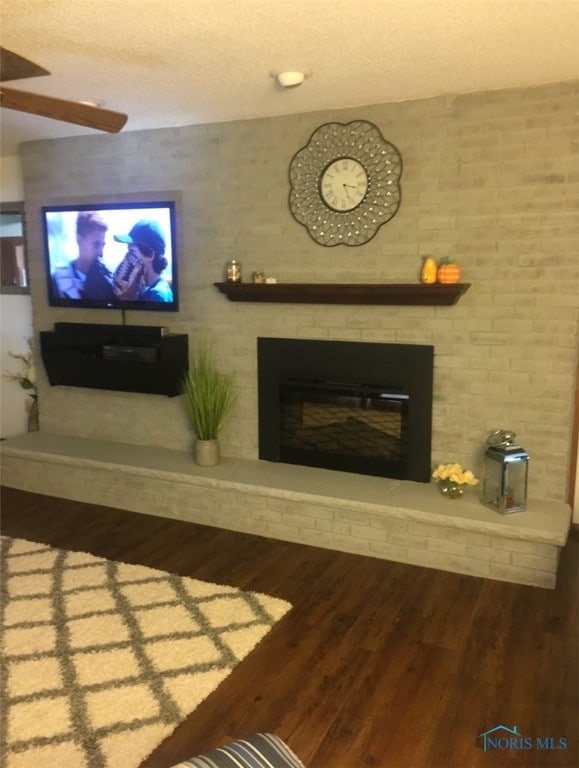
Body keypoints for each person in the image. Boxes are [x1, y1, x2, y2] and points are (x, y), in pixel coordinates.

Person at [52, 211, 113, 299]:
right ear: (79, 240)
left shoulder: (108, 280)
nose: (101, 253)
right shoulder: (56, 280)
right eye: (96, 244)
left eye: (102, 245)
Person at [113, 220, 173, 302]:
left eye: (132, 252)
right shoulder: (148, 289)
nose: (127, 257)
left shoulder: (157, 296)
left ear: (150, 254)